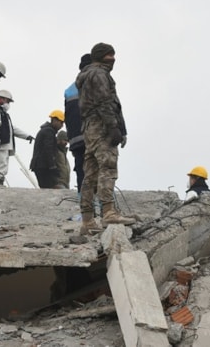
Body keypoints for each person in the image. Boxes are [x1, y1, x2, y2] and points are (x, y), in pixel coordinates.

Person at [75, 42, 134, 235]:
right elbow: (104, 101)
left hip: (89, 128)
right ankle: (108, 211)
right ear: (102, 57)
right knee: (107, 166)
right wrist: (113, 127)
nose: (113, 59)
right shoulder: (100, 74)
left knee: (90, 173)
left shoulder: (86, 75)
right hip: (101, 126)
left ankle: (87, 219)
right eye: (110, 55)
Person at [0, 90, 33, 185]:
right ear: (0, 98)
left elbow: (12, 129)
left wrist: (26, 136)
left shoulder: (4, 114)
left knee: (3, 163)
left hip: (5, 144)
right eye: (7, 101)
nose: (8, 104)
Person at [64, 53, 92, 191]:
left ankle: (84, 203)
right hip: (93, 136)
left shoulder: (69, 90)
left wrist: (70, 138)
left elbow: (68, 117)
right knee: (98, 169)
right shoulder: (97, 82)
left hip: (75, 138)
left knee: (81, 170)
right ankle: (101, 204)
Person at [30, 110, 65, 188]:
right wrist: (52, 166)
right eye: (61, 122)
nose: (62, 125)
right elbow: (48, 150)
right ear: (54, 120)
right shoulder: (49, 131)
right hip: (43, 167)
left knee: (49, 188)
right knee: (50, 189)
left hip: (41, 166)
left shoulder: (47, 130)